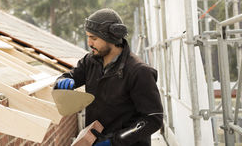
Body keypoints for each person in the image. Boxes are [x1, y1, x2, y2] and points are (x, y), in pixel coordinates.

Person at [54, 8, 163, 146]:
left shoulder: (139, 72)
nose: (89, 43)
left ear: (111, 38)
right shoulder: (90, 61)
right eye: (88, 37)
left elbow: (152, 119)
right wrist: (61, 81)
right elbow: (71, 76)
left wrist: (114, 141)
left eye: (94, 38)